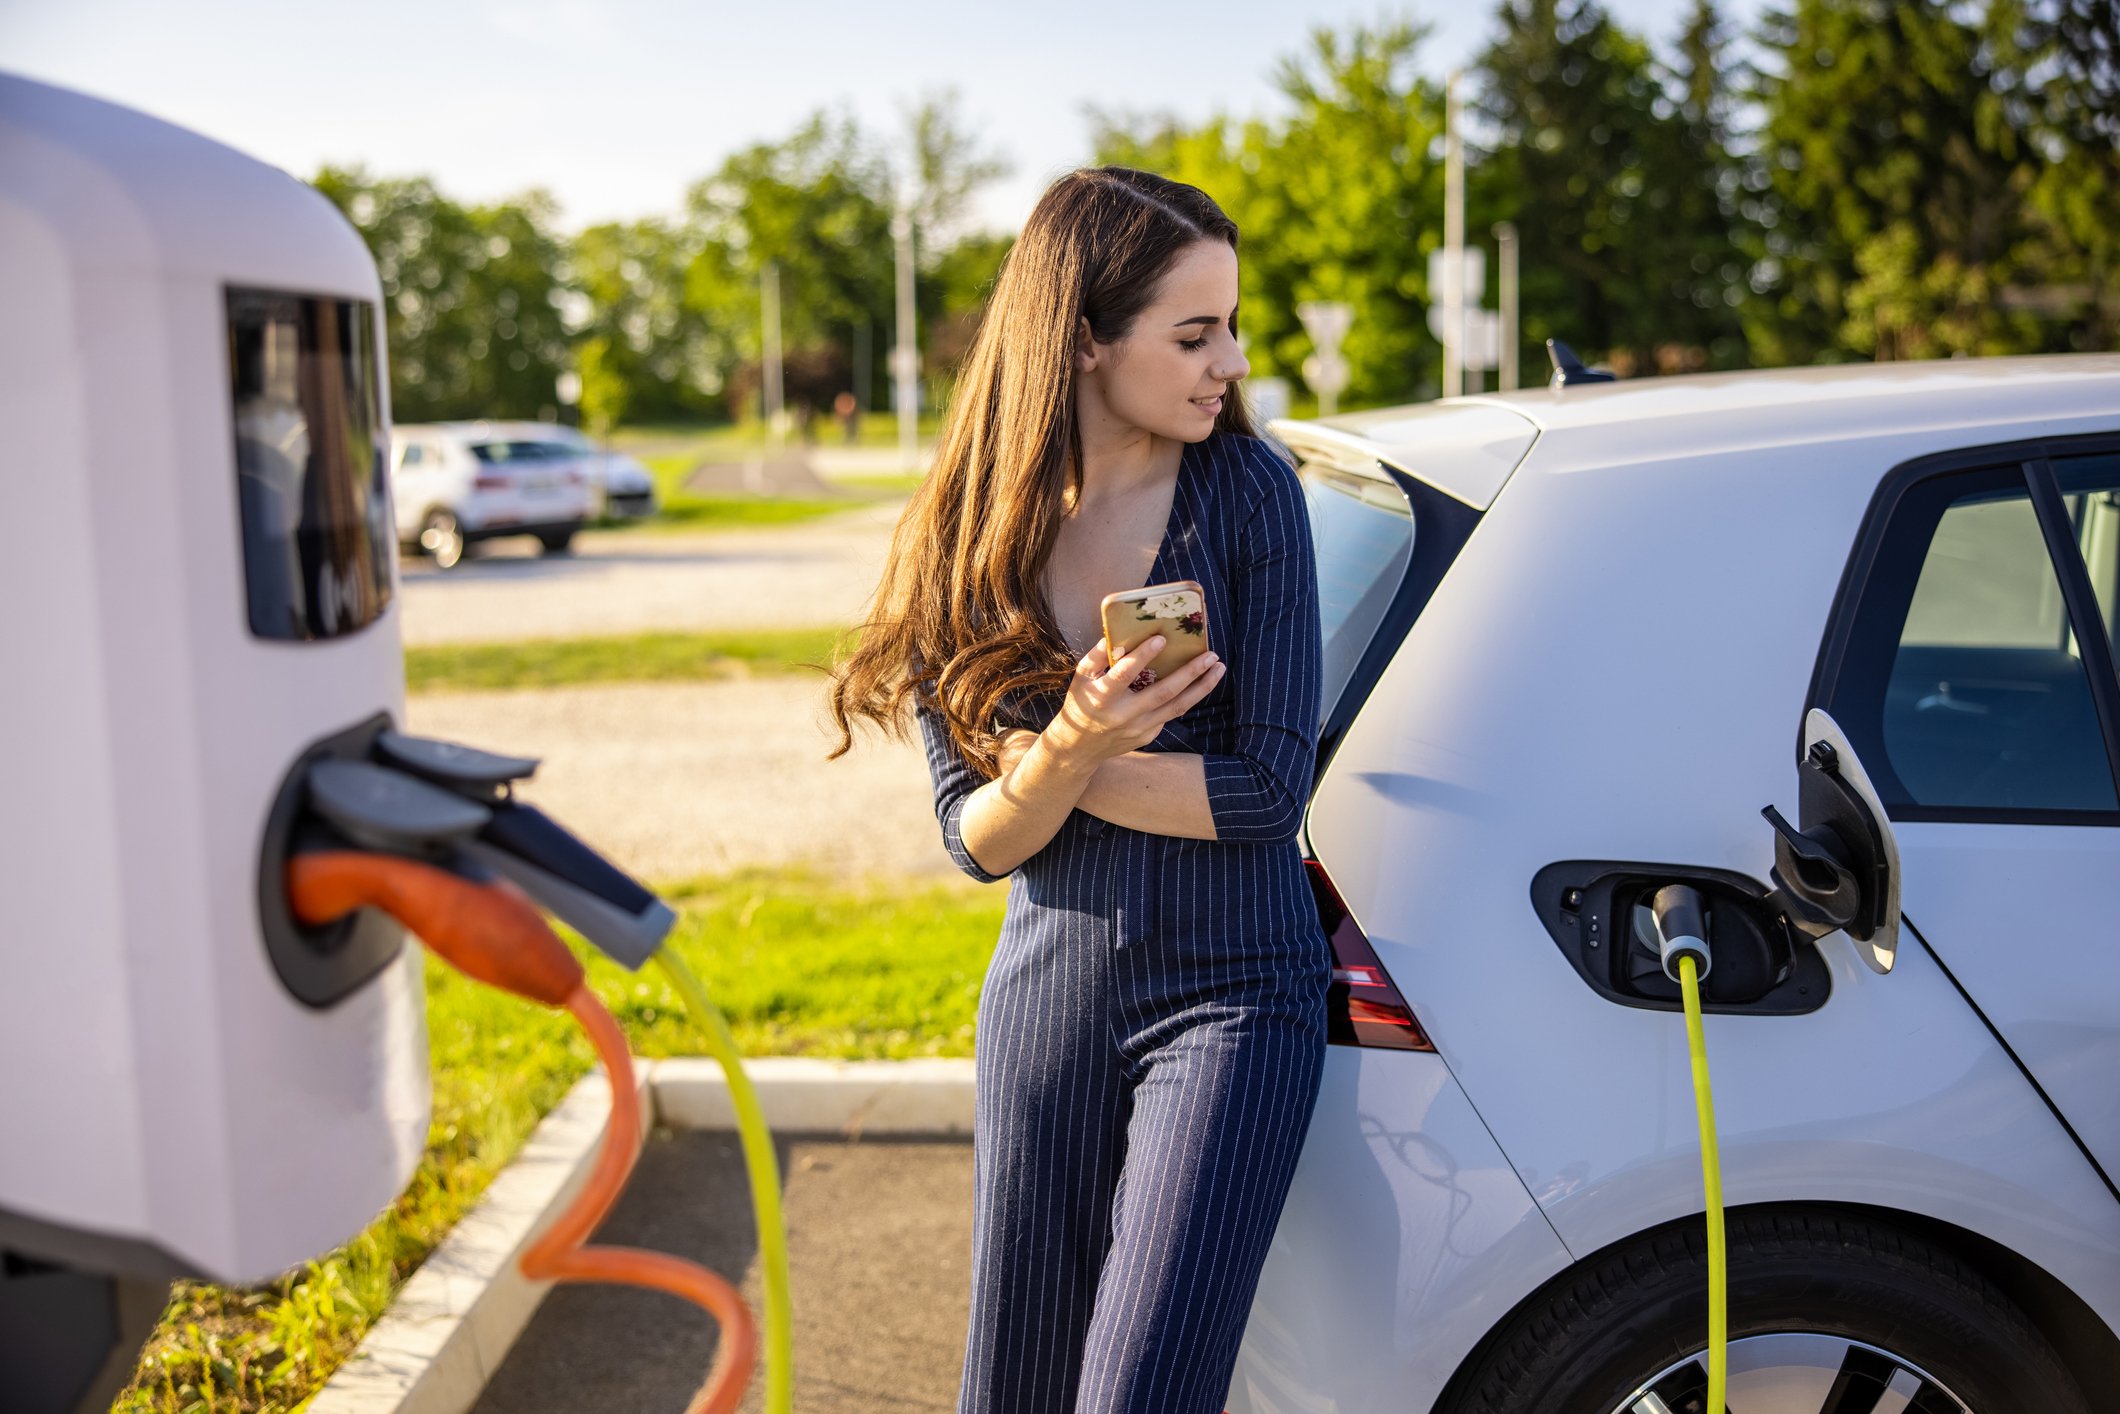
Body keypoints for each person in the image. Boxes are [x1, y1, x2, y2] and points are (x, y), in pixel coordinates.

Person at [824, 165, 1329, 1414]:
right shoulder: (964, 534)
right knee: (1015, 1391)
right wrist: (1071, 748)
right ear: (1087, 338)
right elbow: (979, 842)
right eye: (1193, 331)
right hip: (1049, 995)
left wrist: (1061, 763)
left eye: (1231, 326)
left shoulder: (1247, 493)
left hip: (1234, 998)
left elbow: (1265, 791)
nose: (1229, 361)